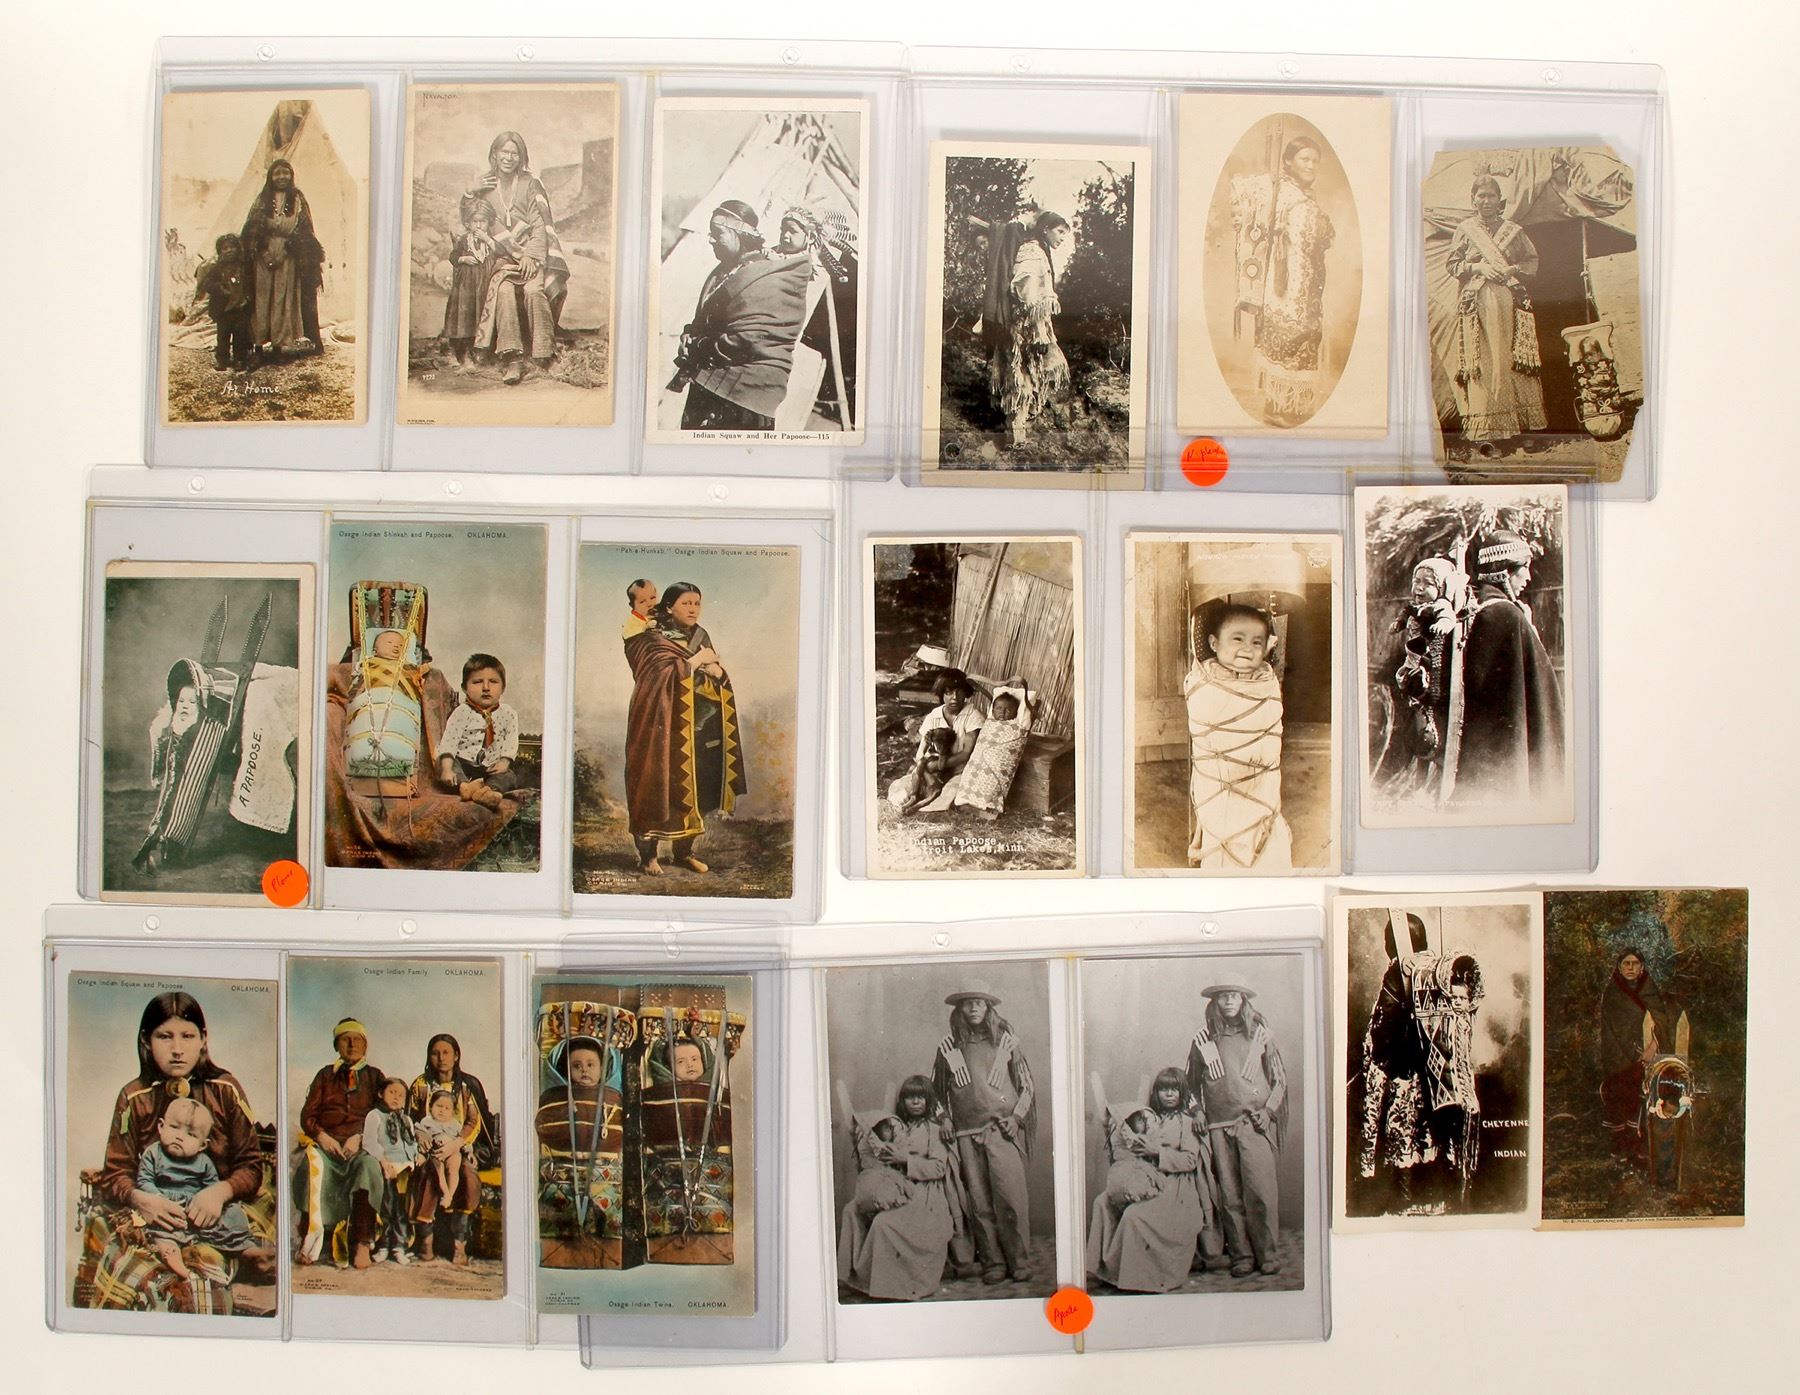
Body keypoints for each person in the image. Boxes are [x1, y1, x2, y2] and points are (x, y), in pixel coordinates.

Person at [86, 991, 265, 1307]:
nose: (178, 1049)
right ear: (146, 1040)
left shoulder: (226, 1089)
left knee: (207, 1272)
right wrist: (142, 1199)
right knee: (145, 1274)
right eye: (164, 1036)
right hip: (157, 1209)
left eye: (187, 1036)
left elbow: (251, 1166)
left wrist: (219, 1193)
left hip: (213, 1209)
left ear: (203, 1039)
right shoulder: (133, 1098)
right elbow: (116, 1173)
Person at [1357, 914, 1486, 1213]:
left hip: (1404, 1072)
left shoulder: (1400, 971)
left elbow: (1383, 1025)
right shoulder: (1440, 969)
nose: (1386, 946)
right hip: (1439, 1076)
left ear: (1396, 942)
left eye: (1387, 940)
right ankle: (1440, 1197)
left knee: (1403, 1135)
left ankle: (1403, 1203)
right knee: (1434, 1136)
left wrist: (1379, 1058)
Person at [623, 582, 747, 875]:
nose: (693, 609)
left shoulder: (701, 635)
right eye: (686, 603)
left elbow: (713, 671)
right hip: (660, 727)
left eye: (697, 603)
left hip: (698, 727)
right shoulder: (651, 636)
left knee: (697, 788)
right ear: (669, 607)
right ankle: (648, 857)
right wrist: (697, 661)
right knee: (656, 786)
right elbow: (654, 676)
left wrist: (718, 672)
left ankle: (684, 853)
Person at [671, 200, 812, 431]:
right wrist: (691, 333)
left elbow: (750, 338)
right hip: (709, 385)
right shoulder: (724, 270)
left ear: (740, 234)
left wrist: (698, 345)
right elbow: (706, 318)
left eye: (718, 233)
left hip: (741, 397)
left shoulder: (767, 275)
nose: (711, 239)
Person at [931, 984, 1036, 1285]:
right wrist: (944, 1118)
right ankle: (993, 1262)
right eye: (968, 1003)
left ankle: (1019, 1260)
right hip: (966, 1134)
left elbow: (1027, 1086)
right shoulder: (949, 1046)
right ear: (959, 1009)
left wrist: (1016, 1118)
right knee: (979, 1203)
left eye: (979, 1003)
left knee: (1011, 1199)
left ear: (988, 1007)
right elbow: (934, 1091)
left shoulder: (1006, 1042)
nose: (974, 1008)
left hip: (1001, 1130)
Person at [1452, 530, 1566, 808]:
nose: (1528, 577)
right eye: (1523, 568)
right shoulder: (1504, 614)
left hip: (1483, 750)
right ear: (1503, 571)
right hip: (1500, 749)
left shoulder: (1483, 608)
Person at [1230, 135, 1336, 425]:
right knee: (1286, 338)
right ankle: (1277, 407)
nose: (1311, 166)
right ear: (1288, 161)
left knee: (1305, 337)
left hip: (1305, 285)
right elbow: (1244, 204)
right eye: (1305, 159)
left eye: (1315, 161)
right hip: (1283, 287)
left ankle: (1288, 406)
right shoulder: (1278, 193)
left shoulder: (1304, 197)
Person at [1086, 1069, 1217, 1293]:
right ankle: (1108, 1269)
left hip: (1175, 1186)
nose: (1169, 1094)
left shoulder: (1187, 1123)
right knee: (1102, 1202)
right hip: (1146, 1176)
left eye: (1174, 1089)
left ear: (1182, 1093)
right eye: (1164, 1089)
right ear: (1156, 1093)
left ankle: (1138, 1276)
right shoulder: (1148, 1116)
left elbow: (1189, 1160)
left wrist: (1157, 1152)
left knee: (1134, 1215)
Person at [1182, 603, 1292, 870]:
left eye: (1257, 642)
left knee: (1265, 844)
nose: (1247, 648)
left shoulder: (1265, 683)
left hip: (1259, 789)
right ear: (1214, 643)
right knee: (1224, 846)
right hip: (1220, 790)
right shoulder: (1205, 682)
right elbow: (1206, 726)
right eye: (1238, 639)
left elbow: (1269, 727)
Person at [1188, 987, 1288, 1277]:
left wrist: (1267, 1112)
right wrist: (1197, 1111)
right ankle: (1241, 1255)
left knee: (1261, 1191)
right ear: (1214, 1001)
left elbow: (1279, 1080)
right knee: (1230, 1196)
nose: (1229, 1000)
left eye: (1235, 995)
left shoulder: (1260, 1035)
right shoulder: (1203, 1039)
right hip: (1218, 1127)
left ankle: (1267, 1254)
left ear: (1244, 1000)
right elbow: (1190, 1087)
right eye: (1223, 996)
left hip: (1253, 1124)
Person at [1445, 174, 1546, 449]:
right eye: (1481, 196)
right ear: (1473, 200)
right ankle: (1487, 433)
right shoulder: (1465, 230)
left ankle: (1521, 428)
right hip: (1477, 302)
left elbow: (1531, 260)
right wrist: (1477, 267)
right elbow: (1453, 264)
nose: (1486, 201)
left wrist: (1513, 269)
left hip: (1509, 300)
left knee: (1514, 359)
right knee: (1485, 362)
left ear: (1499, 200)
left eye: (1491, 196)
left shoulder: (1513, 230)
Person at [837, 1075, 957, 1301]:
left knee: (884, 1223)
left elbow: (939, 1168)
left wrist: (906, 1160)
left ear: (928, 1100)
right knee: (852, 1210)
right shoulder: (894, 1124)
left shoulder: (934, 1130)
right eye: (910, 1097)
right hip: (895, 1185)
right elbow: (873, 1135)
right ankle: (858, 1279)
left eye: (920, 1097)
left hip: (924, 1194)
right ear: (903, 1101)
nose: (915, 1102)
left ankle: (890, 1286)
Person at [469, 131, 567, 385]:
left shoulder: (530, 183)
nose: (509, 158)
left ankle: (543, 356)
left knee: (534, 291)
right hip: (502, 257)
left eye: (515, 153)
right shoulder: (485, 185)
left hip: (531, 255)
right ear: (495, 154)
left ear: (521, 157)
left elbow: (540, 224)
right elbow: (471, 216)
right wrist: (470, 193)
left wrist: (531, 257)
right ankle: (512, 359)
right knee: (503, 292)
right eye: (504, 152)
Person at [295, 1016, 386, 1270]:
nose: (352, 1044)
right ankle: (310, 1241)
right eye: (345, 1039)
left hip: (361, 1146)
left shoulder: (375, 1077)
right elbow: (308, 1115)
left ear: (365, 1045)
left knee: (368, 1168)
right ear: (336, 1045)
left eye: (357, 1040)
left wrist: (361, 1136)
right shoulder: (325, 1075)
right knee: (309, 1168)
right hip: (328, 1146)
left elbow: (383, 1113)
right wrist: (322, 1137)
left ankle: (362, 1243)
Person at [136, 1096, 255, 1280]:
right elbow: (144, 1181)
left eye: (191, 1134)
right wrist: (158, 1198)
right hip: (168, 1210)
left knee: (233, 1212)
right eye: (174, 1127)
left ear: (202, 1145)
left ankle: (246, 1250)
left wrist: (211, 1204)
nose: (179, 1136)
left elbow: (212, 1189)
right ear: (161, 1127)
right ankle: (176, 1262)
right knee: (160, 1232)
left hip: (196, 1211)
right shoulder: (153, 1153)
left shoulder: (204, 1162)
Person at [406, 1032, 498, 1267]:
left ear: (456, 1055)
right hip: (430, 1148)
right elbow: (410, 1120)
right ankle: (425, 1240)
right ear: (429, 1056)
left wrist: (457, 1144)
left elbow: (475, 1121)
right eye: (435, 1053)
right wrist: (421, 1137)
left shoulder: (468, 1085)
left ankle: (459, 1244)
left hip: (460, 1146)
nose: (441, 1058)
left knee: (467, 1175)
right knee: (427, 1175)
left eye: (446, 1052)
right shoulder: (420, 1085)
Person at [1386, 558, 1469, 799]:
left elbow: (1448, 616)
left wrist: (1444, 624)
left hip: (1432, 668)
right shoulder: (1415, 606)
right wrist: (1399, 623)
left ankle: (1434, 780)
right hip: (1414, 662)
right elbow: (1405, 612)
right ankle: (1419, 781)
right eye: (1416, 581)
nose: (1419, 588)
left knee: (1431, 722)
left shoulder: (1439, 605)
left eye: (1427, 584)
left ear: (1441, 588)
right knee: (1416, 711)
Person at [987, 211, 1072, 448]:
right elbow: (1025, 285)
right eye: (1060, 232)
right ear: (1045, 229)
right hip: (1024, 326)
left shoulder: (1040, 252)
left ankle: (1020, 426)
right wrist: (1037, 330)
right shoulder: (1032, 251)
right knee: (1019, 372)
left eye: (1065, 234)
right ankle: (1016, 432)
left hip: (1032, 323)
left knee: (1030, 371)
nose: (1062, 238)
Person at [776, 206, 859, 429]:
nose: (785, 235)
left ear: (811, 236)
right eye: (783, 229)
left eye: (792, 230)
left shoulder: (820, 268)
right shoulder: (771, 257)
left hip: (803, 348)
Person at [239, 158, 324, 359]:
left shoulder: (298, 198)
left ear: (291, 176)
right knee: (262, 299)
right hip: (263, 256)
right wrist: (264, 253)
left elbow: (304, 230)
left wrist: (286, 251)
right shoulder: (262, 199)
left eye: (285, 173)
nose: (281, 177)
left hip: (288, 256)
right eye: (277, 173)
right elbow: (253, 229)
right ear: (270, 177)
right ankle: (258, 347)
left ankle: (278, 346)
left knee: (281, 299)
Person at [1599, 948, 1677, 1166]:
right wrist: (1626, 1056)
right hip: (1618, 1056)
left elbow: (1662, 1022)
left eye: (1635, 963)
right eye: (1626, 963)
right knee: (1620, 1095)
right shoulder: (1612, 992)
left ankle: (1639, 1148)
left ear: (1642, 967)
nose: (1630, 967)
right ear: (1619, 967)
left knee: (1642, 1098)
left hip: (1647, 1055)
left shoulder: (1649, 989)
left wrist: (1653, 1047)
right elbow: (1609, 1029)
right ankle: (1620, 1149)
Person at [436, 652, 531, 810]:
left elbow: (511, 742)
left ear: (503, 687)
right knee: (448, 765)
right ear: (464, 688)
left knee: (509, 776)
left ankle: (488, 791)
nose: (486, 688)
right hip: (464, 765)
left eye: (493, 682)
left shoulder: (508, 714)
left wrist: (504, 762)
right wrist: (447, 769)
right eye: (477, 682)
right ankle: (465, 787)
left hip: (490, 769)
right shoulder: (461, 712)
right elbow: (449, 742)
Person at [358, 1076, 419, 1265]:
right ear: (380, 1093)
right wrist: (384, 1162)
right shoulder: (375, 1115)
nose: (396, 1097)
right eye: (392, 1092)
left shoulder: (406, 1119)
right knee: (386, 1206)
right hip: (386, 1166)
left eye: (401, 1095)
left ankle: (399, 1247)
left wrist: (414, 1160)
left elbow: (412, 1143)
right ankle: (383, 1245)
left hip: (405, 1169)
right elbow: (369, 1142)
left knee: (402, 1208)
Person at [952, 681, 1035, 821]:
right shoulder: (989, 723)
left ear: (1016, 712)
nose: (1002, 712)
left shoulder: (1016, 725)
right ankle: (966, 799)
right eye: (999, 708)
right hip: (979, 760)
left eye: (1008, 710)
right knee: (972, 773)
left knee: (992, 779)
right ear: (993, 709)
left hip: (998, 759)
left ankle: (989, 805)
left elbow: (1017, 739)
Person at [441, 197, 498, 368]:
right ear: (468, 223)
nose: (479, 226)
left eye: (483, 221)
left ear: (489, 222)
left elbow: (501, 252)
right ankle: (462, 351)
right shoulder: (464, 240)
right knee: (465, 316)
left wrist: (487, 240)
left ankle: (479, 351)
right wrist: (463, 258)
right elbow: (453, 256)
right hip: (466, 287)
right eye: (475, 222)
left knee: (480, 316)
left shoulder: (492, 241)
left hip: (484, 285)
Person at [412, 1088, 467, 1259]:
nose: (442, 1111)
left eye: (447, 1108)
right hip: (435, 1154)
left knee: (454, 1167)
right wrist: (421, 1153)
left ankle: (449, 1194)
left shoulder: (455, 1124)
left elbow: (463, 1141)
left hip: (453, 1152)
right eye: (438, 1106)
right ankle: (445, 1191)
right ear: (431, 1107)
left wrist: (470, 1152)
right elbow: (418, 1137)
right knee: (437, 1169)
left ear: (453, 1112)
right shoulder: (426, 1122)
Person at [193, 233, 253, 371]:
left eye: (232, 247)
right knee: (223, 337)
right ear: (220, 252)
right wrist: (220, 288)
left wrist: (248, 297)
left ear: (238, 249)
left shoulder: (243, 267)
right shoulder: (217, 268)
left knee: (240, 336)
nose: (229, 250)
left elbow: (250, 283)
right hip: (224, 310)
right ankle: (222, 360)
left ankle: (239, 359)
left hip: (240, 308)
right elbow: (206, 284)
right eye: (225, 248)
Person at [888, 726, 956, 816]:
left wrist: (942, 755)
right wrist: (923, 765)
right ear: (931, 741)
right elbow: (920, 764)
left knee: (936, 792)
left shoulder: (945, 753)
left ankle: (916, 806)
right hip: (924, 778)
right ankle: (913, 797)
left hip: (937, 780)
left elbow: (941, 767)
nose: (941, 746)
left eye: (944, 742)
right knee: (916, 771)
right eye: (938, 742)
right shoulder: (930, 751)